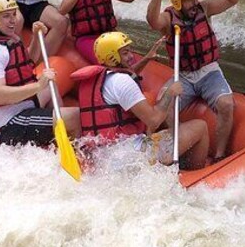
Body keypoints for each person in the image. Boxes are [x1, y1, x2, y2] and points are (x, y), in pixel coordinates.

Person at [73, 31, 208, 169]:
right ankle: (193, 175)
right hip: (128, 158)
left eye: (130, 51)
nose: (131, 56)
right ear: (111, 57)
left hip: (100, 158)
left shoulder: (97, 79)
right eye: (125, 53)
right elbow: (154, 120)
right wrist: (170, 93)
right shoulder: (122, 81)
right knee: (200, 126)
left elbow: (129, 76)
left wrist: (147, 58)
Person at [0, 0, 80, 145]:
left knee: (50, 86)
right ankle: (72, 149)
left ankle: (56, 138)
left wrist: (36, 38)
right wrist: (38, 85)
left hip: (15, 107)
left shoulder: (7, 38)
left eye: (14, 14)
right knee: (74, 116)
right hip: (1, 124)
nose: (13, 21)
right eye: (6, 16)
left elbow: (29, 60)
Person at [146, 0, 238, 161]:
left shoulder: (204, 8)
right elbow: (152, 21)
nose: (195, 2)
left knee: (227, 104)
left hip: (209, 71)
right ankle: (175, 147)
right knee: (164, 106)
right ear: (178, 1)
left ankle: (220, 155)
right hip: (184, 76)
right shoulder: (168, 18)